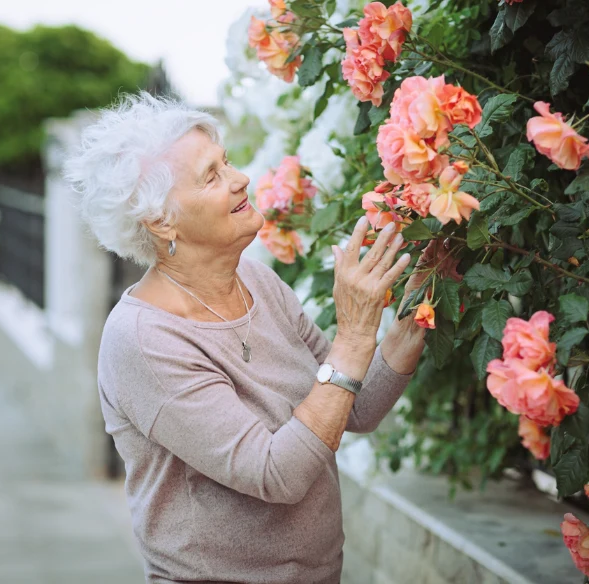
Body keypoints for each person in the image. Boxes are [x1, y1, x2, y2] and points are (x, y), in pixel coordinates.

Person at [64, 92, 433, 584]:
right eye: (211, 175)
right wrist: (355, 334)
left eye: (227, 163)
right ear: (160, 220)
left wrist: (412, 321)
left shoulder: (257, 282)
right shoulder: (143, 340)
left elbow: (353, 408)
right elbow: (274, 474)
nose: (240, 179)